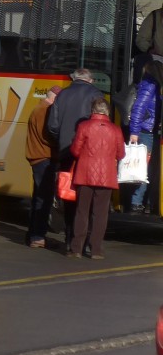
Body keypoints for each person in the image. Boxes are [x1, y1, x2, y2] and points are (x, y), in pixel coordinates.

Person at [46, 67, 104, 251]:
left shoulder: (62, 95)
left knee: (69, 194)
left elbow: (52, 125)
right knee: (87, 198)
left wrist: (63, 140)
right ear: (90, 80)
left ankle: (70, 237)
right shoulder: (95, 94)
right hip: (88, 154)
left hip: (66, 152)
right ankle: (85, 240)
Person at [67, 98, 125, 259]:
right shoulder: (116, 130)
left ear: (93, 110)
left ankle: (76, 248)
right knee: (100, 214)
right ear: (107, 112)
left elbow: (75, 151)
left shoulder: (83, 126)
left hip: (84, 174)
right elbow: (121, 154)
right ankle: (96, 250)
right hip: (106, 176)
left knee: (82, 211)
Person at [24, 84, 61, 248]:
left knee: (39, 197)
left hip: (39, 158)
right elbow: (47, 136)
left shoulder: (38, 108)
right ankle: (37, 236)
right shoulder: (45, 111)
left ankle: (33, 234)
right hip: (43, 158)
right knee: (43, 199)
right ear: (54, 98)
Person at [126, 58, 161, 213]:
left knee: (148, 168)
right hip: (146, 131)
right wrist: (134, 132)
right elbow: (138, 108)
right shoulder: (149, 85)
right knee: (142, 168)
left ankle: (144, 201)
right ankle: (136, 201)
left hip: (151, 131)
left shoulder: (154, 85)